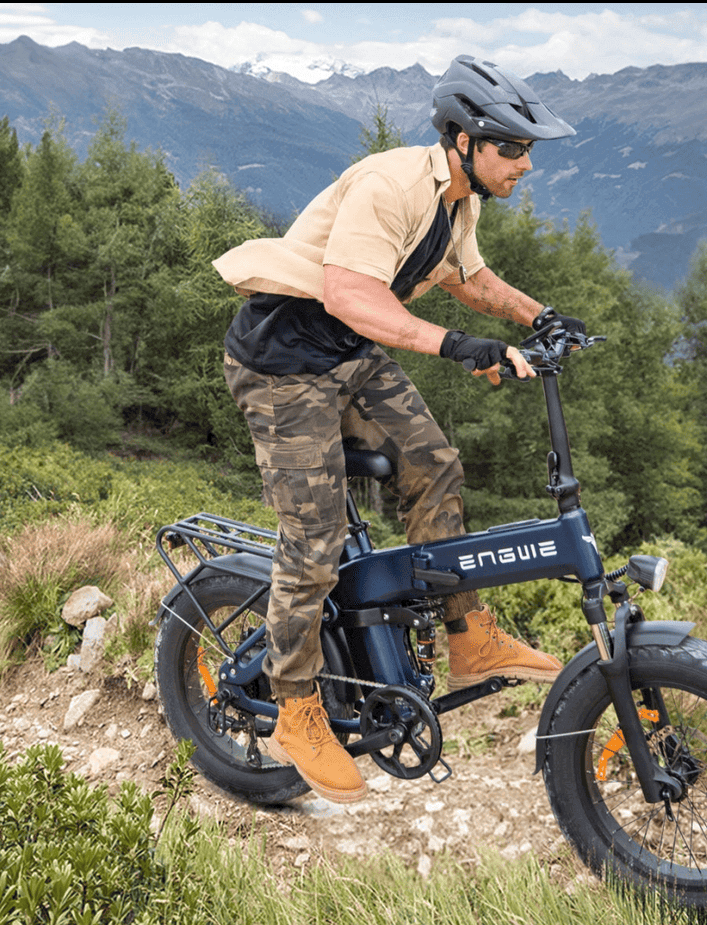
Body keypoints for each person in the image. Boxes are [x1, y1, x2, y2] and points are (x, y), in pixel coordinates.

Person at [212, 55, 584, 804]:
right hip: (285, 365)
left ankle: (467, 635)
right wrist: (456, 346)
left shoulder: (458, 198)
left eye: (528, 149)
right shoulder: (390, 186)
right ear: (464, 141)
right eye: (510, 148)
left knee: (434, 464)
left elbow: (467, 278)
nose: (524, 163)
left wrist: (535, 316)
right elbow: (351, 295)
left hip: (347, 357)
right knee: (312, 541)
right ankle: (294, 705)